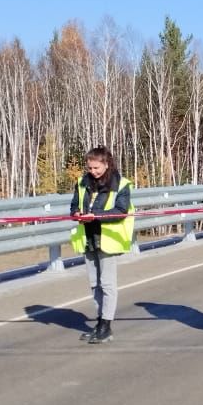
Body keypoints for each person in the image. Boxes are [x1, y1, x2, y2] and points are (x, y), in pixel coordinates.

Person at [69, 146, 134, 345]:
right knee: (94, 284)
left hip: (108, 239)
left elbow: (121, 210)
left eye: (96, 167)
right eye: (90, 168)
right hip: (88, 238)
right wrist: (77, 214)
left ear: (107, 164)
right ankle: (99, 323)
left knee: (107, 284)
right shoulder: (82, 183)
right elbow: (73, 206)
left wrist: (96, 216)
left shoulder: (121, 184)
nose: (93, 171)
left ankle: (106, 325)